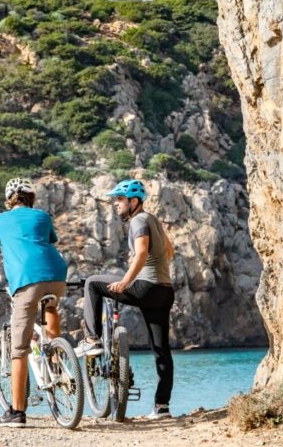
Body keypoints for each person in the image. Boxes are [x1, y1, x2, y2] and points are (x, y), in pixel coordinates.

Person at [0, 177, 68, 428]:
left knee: (19, 350)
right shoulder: (43, 217)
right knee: (52, 307)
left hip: (26, 281)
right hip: (57, 276)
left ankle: (16, 413)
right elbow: (48, 242)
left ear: (8, 199)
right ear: (31, 199)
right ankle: (56, 359)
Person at [74, 179, 175, 420]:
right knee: (161, 350)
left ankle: (91, 339)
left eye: (119, 200)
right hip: (164, 290)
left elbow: (141, 253)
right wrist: (152, 272)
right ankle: (162, 407)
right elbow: (169, 252)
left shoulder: (139, 220)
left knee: (92, 283)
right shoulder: (154, 221)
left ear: (134, 201)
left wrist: (128, 281)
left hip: (147, 288)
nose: (115, 204)